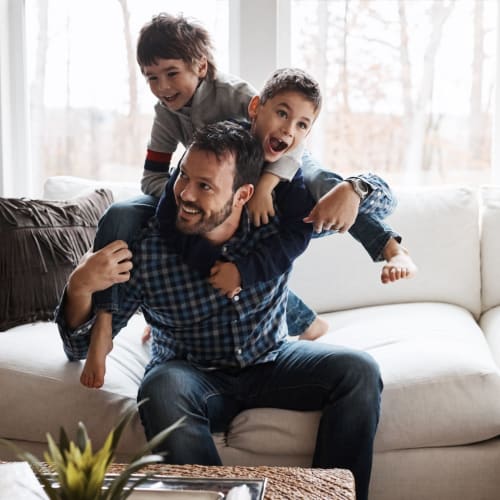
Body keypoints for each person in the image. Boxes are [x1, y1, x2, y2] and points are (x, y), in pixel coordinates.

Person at [84, 13, 415, 388]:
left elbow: (286, 141)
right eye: (152, 78)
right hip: (217, 195)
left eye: (171, 73)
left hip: (277, 168)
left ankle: (389, 248)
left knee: (326, 188)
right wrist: (192, 197)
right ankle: (106, 321)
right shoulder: (167, 116)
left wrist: (267, 185)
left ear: (201, 67)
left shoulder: (238, 97)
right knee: (122, 214)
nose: (162, 86)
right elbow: (152, 178)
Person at [56, 121, 383, 500]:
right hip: (191, 374)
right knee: (161, 388)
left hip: (271, 359)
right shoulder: (147, 247)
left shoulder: (275, 222)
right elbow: (78, 349)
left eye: (205, 186)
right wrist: (80, 286)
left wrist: (354, 188)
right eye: (183, 177)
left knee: (359, 370)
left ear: (244, 193)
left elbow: (382, 205)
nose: (184, 194)